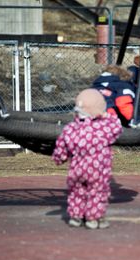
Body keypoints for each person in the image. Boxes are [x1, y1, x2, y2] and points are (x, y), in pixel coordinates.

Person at [52, 88, 123, 229]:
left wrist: (59, 158)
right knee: (97, 192)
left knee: (77, 192)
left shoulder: (71, 128)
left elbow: (61, 146)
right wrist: (105, 115)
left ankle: (76, 217)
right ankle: (92, 218)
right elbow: (117, 127)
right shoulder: (103, 128)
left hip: (76, 170)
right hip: (97, 171)